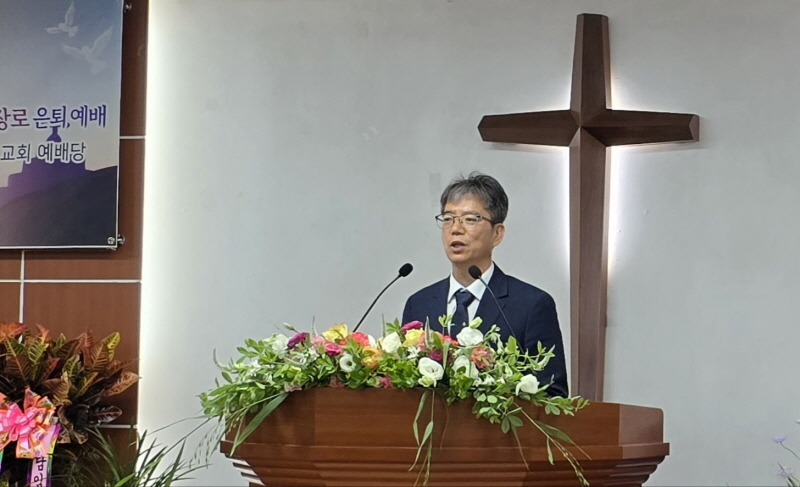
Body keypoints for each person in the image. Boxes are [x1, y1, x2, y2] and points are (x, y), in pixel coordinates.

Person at [402, 172, 569, 397]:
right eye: (448, 218)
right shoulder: (419, 305)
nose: (455, 228)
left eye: (470, 219)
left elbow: (553, 394)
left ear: (497, 234)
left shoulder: (531, 305)